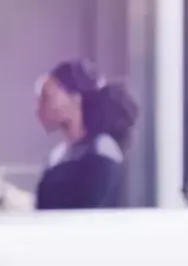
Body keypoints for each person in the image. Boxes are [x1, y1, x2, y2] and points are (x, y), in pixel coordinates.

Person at [34, 59, 140, 210]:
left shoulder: (102, 150)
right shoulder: (58, 156)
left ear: (75, 99)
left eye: (47, 97)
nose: (39, 108)